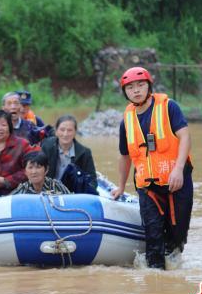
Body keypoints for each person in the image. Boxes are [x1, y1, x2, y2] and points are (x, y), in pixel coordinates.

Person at [110, 67, 193, 270]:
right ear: (125, 92)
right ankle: (155, 282)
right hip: (148, 186)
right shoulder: (126, 121)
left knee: (177, 233)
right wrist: (121, 186)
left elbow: (185, 137)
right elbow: (125, 156)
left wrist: (178, 169)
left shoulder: (169, 107)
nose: (136, 90)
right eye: (130, 87)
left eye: (140, 85)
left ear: (149, 86)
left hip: (176, 181)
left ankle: (173, 258)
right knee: (153, 238)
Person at [41, 115, 97, 193]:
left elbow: (92, 180)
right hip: (48, 191)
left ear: (75, 132)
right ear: (56, 131)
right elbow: (38, 170)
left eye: (70, 130)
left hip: (71, 195)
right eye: (62, 130)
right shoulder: (46, 145)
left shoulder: (85, 152)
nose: (65, 134)